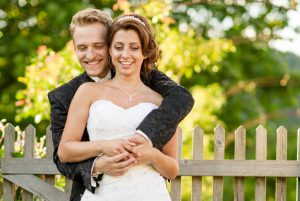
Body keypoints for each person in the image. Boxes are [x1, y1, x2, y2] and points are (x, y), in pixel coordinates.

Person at [48, 8, 194, 201]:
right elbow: (63, 156)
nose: (90, 55)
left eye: (97, 45)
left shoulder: (158, 92)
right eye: (82, 48)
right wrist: (100, 162)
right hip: (100, 191)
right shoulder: (71, 94)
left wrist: (149, 149)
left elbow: (182, 99)